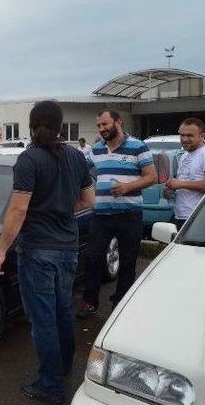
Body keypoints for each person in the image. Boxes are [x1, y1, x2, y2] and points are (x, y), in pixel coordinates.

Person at [0, 100, 94, 404]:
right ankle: (62, 371)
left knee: (43, 321)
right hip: (68, 250)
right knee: (62, 314)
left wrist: (0, 252)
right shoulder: (76, 156)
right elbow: (89, 200)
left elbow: (19, 209)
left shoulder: (29, 159)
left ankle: (50, 386)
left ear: (32, 126)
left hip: (38, 252)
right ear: (61, 126)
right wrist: (61, 209)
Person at [78, 109, 157, 319]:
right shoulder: (96, 149)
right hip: (101, 215)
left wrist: (127, 187)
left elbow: (151, 177)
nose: (102, 129)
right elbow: (81, 170)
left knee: (128, 261)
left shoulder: (138, 146)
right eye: (99, 126)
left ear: (118, 122)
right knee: (93, 258)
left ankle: (120, 303)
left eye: (105, 124)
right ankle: (90, 301)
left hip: (129, 215)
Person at [165, 118, 205, 230]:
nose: (184, 139)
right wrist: (171, 190)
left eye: (190, 135)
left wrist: (181, 184)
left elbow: (183, 184)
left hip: (198, 219)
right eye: (182, 135)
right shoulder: (184, 156)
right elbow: (184, 185)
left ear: (202, 136)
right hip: (181, 216)